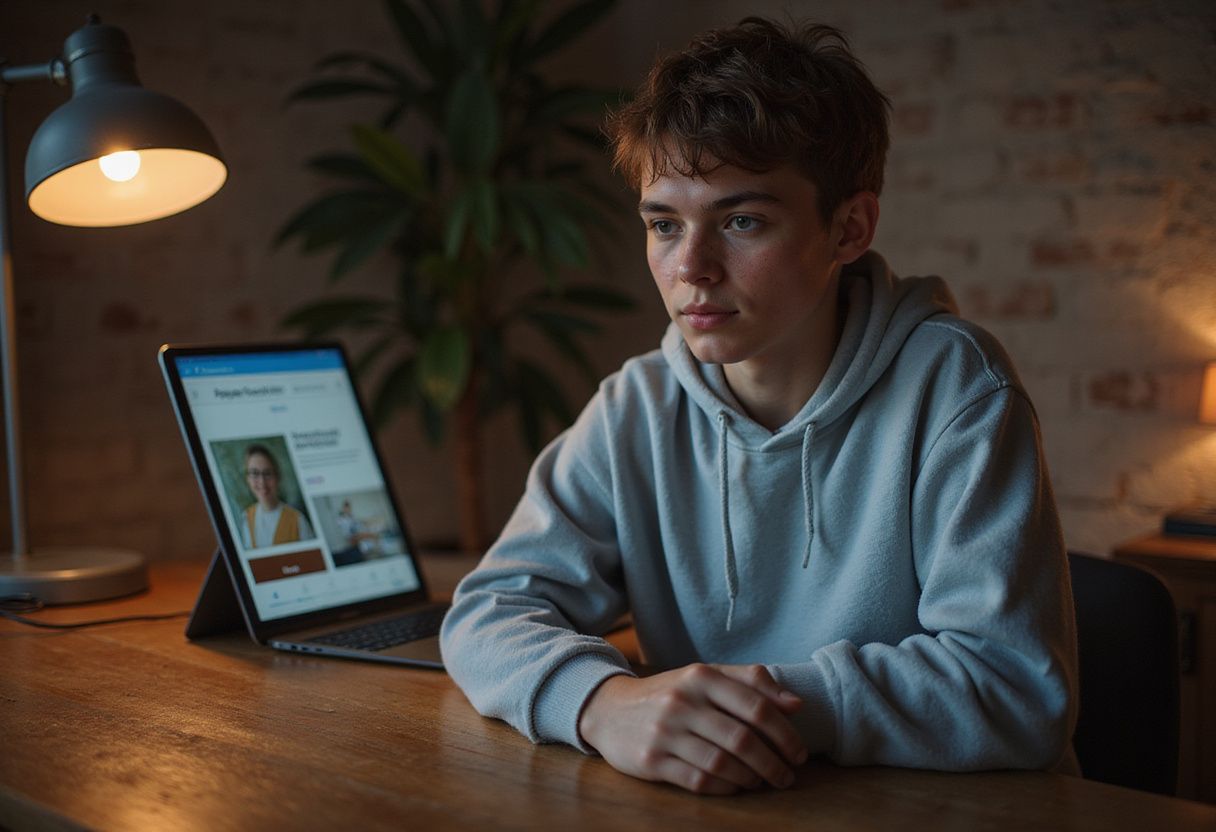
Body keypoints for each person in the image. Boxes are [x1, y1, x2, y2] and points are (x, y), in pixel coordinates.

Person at [439, 17, 1078, 796]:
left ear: (849, 227)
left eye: (742, 221)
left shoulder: (958, 391)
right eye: (664, 225)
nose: (691, 269)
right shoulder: (637, 407)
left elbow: (1016, 689)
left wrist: (739, 710)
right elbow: (487, 613)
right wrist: (605, 705)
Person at [239, 443, 314, 549]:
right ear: (247, 479)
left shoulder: (298, 520)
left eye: (267, 473)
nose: (262, 482)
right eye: (255, 473)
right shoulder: (245, 518)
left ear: (277, 477)